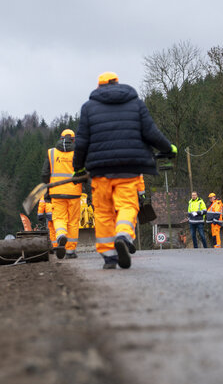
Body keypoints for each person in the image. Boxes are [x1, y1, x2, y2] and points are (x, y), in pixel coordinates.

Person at [73, 71, 176, 270]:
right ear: (118, 84)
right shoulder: (135, 103)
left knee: (103, 213)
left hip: (100, 171)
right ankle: (123, 234)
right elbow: (151, 132)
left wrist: (78, 168)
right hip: (129, 169)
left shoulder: (88, 108)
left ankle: (109, 256)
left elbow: (82, 142)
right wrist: (168, 148)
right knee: (128, 206)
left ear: (99, 86)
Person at [41, 129, 82, 259]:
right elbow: (84, 173)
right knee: (73, 222)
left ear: (60, 138)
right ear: (74, 139)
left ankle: (60, 235)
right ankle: (70, 251)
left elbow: (45, 174)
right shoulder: (78, 153)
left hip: (56, 193)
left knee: (59, 218)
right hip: (74, 194)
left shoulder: (51, 153)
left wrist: (47, 192)